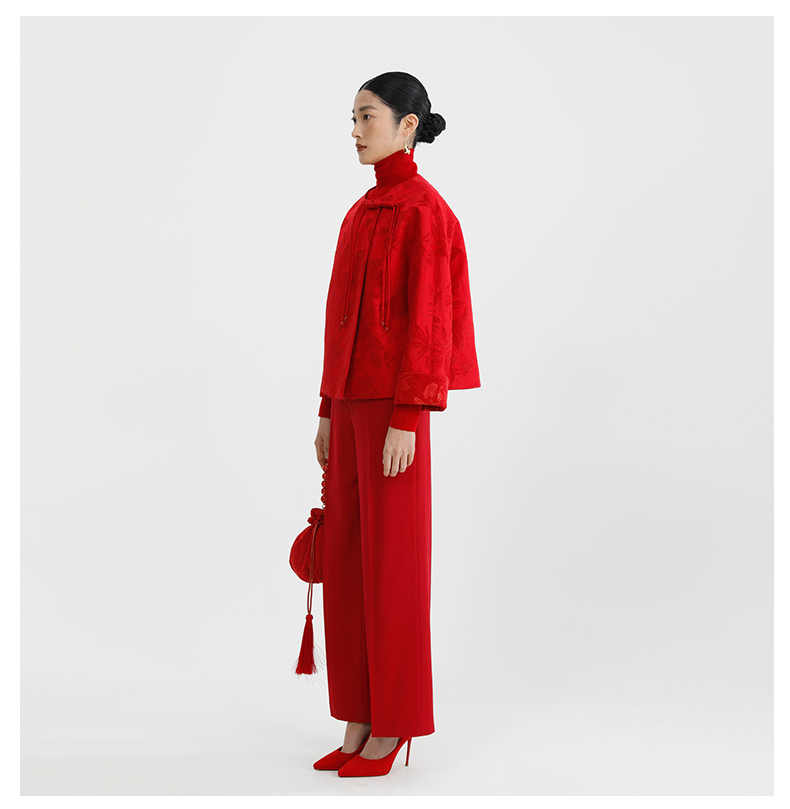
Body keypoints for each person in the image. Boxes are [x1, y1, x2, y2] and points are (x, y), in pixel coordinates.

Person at [311, 71, 481, 778]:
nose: (355, 131)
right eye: (352, 117)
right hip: (351, 407)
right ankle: (359, 715)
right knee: (349, 563)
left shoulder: (425, 212)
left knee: (394, 570)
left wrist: (409, 414)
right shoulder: (359, 213)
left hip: (394, 413)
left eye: (368, 116)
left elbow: (431, 320)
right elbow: (338, 316)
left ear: (408, 125)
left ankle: (396, 723)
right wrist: (327, 407)